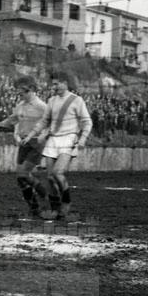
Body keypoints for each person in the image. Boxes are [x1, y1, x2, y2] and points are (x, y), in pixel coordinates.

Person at [22, 71, 92, 220]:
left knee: (57, 173)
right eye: (53, 84)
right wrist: (30, 136)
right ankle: (55, 208)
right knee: (49, 177)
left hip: (69, 139)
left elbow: (87, 121)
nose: (54, 87)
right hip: (53, 140)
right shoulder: (52, 100)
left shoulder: (77, 100)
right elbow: (44, 121)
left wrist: (83, 139)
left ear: (65, 83)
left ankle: (66, 202)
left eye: (56, 84)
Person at [0, 80, 51, 217]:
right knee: (20, 178)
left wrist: (44, 136)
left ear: (30, 90)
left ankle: (44, 195)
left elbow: (52, 123)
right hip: (24, 143)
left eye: (21, 91)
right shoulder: (20, 105)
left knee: (23, 174)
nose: (19, 94)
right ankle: (34, 207)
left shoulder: (42, 106)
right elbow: (11, 121)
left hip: (36, 143)